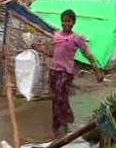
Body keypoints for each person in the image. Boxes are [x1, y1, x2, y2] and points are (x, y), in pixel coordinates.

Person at [32, 9, 103, 138]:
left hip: (66, 72)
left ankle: (65, 121)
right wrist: (38, 48)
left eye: (69, 21)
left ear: (74, 22)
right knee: (55, 98)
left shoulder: (77, 38)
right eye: (64, 21)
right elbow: (52, 53)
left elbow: (88, 55)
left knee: (60, 96)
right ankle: (57, 125)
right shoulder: (56, 35)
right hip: (54, 70)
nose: (66, 23)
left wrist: (97, 71)